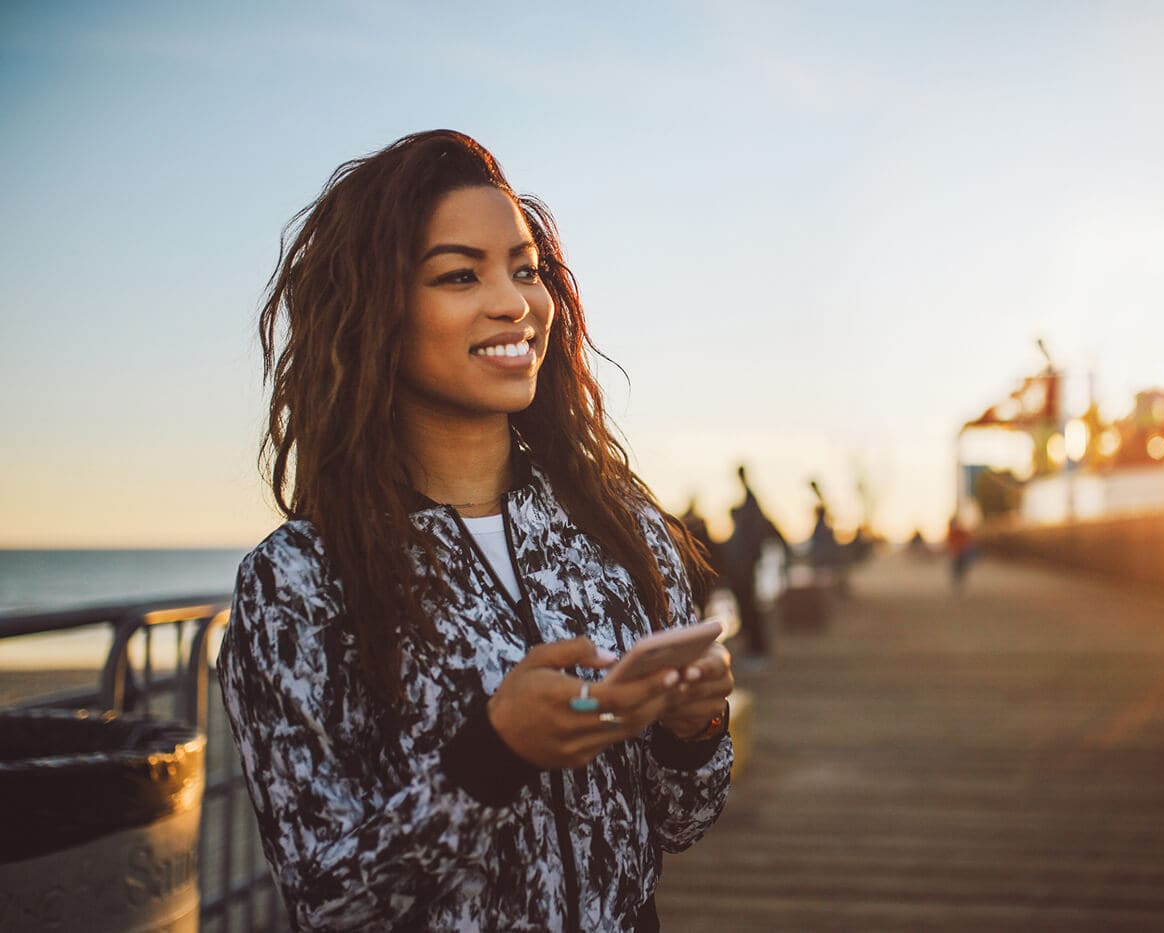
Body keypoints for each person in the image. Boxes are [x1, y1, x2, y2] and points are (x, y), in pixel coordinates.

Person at [216, 130, 733, 932]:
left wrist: (692, 729)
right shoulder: (298, 582)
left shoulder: (615, 525)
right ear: (373, 309)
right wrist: (495, 754)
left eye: (526, 269)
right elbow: (328, 901)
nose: (514, 302)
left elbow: (681, 823)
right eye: (462, 274)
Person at [725, 464, 783, 660]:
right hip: (741, 570)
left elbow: (753, 506)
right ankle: (753, 649)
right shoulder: (742, 524)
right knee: (746, 610)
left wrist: (745, 480)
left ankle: (758, 651)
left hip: (746, 570)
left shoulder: (751, 510)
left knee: (751, 610)